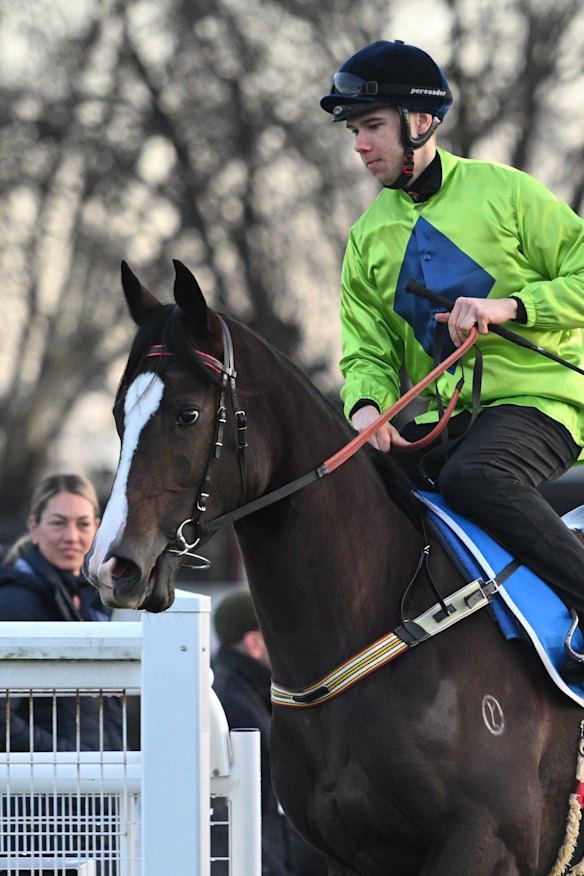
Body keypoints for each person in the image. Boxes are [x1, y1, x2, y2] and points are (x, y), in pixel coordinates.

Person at [320, 39, 584, 676]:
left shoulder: (505, 193)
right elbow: (367, 352)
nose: (360, 145)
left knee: (474, 477)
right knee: (351, 490)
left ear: (420, 123)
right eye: (355, 130)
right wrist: (365, 408)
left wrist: (512, 307)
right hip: (449, 417)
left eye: (373, 127)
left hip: (543, 402)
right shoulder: (366, 240)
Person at [0, 473, 123, 751]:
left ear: (98, 528)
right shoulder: (13, 603)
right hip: (44, 790)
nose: (72, 537)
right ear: (34, 527)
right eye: (58, 523)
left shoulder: (99, 601)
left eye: (83, 524)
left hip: (105, 787)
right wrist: (69, 761)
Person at [211, 590, 327, 876]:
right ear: (253, 644)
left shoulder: (241, 690)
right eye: (279, 634)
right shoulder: (236, 702)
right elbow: (251, 810)